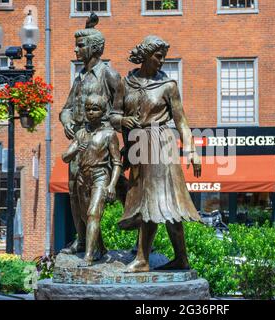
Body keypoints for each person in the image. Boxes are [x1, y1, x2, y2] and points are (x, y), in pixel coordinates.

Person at [110, 35, 202, 272]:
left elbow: (181, 121)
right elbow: (113, 115)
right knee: (149, 203)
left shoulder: (168, 86)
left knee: (164, 202)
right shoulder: (125, 83)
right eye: (158, 56)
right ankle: (169, 258)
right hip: (138, 147)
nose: (162, 61)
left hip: (161, 144)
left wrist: (191, 150)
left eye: (164, 57)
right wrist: (123, 121)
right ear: (146, 56)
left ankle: (149, 258)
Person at [59, 14, 127, 255]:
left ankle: (109, 245)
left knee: (105, 196)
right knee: (74, 194)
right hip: (79, 141)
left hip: (101, 142)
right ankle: (82, 241)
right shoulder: (78, 78)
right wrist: (67, 121)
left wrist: (107, 132)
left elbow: (119, 111)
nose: (76, 50)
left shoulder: (109, 75)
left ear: (94, 48)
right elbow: (66, 108)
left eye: (80, 45)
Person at [62, 94, 122, 266]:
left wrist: (112, 185)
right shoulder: (80, 133)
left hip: (100, 176)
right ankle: (101, 248)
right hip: (82, 178)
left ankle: (88, 256)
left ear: (103, 112)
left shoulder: (109, 134)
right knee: (86, 216)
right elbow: (65, 157)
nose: (90, 112)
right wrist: (75, 150)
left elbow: (117, 162)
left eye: (95, 109)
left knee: (93, 214)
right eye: (88, 109)